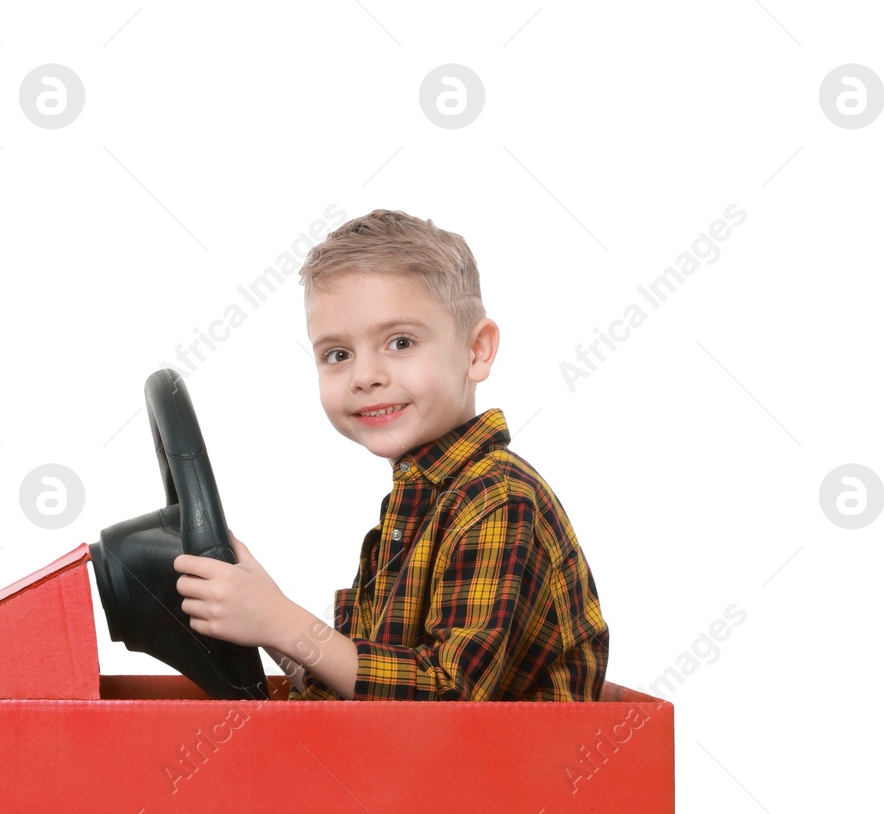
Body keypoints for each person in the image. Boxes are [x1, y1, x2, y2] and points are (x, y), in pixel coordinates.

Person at [173, 208, 609, 701]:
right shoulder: (411, 508)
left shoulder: (497, 500)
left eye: (400, 342)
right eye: (337, 354)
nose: (364, 376)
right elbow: (362, 690)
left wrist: (282, 621)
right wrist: (262, 618)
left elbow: (445, 700)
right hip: (411, 771)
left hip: (501, 777)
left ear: (476, 350)